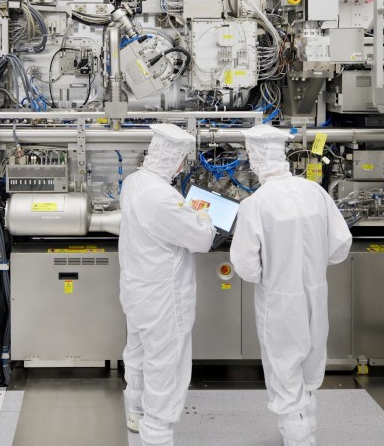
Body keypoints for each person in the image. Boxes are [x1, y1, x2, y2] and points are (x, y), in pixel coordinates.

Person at [230, 124, 352, 446]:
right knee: (310, 367)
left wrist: (274, 272)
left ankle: (299, 437)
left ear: (255, 159)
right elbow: (341, 245)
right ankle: (307, 430)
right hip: (316, 293)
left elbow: (245, 267)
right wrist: (310, 269)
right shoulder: (315, 192)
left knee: (284, 373)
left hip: (280, 302)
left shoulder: (255, 204)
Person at [119, 123, 216, 446]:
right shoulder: (161, 196)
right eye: (181, 161)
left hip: (137, 290)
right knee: (166, 363)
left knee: (138, 353)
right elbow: (201, 239)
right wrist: (203, 217)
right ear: (174, 160)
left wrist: (186, 212)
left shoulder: (135, 182)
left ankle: (135, 413)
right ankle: (156, 433)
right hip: (163, 296)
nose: (180, 167)